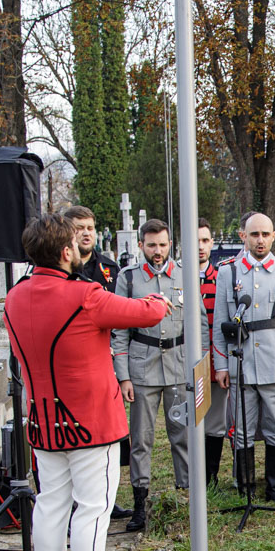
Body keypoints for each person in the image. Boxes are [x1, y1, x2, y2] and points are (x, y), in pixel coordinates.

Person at [3, 213, 170, 551]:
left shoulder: (15, 296)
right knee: (94, 506)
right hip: (90, 419)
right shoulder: (85, 295)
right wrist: (161, 300)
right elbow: (146, 313)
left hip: (43, 419)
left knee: (51, 503)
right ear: (65, 252)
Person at [212, 212, 275, 502]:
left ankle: (274, 488)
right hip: (240, 364)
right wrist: (220, 365)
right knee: (240, 430)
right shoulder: (228, 272)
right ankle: (246, 487)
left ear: (274, 236)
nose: (260, 240)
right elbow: (219, 323)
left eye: (266, 234)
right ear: (243, 236)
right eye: (254, 234)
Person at [113, 219, 190, 531]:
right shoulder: (129, 278)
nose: (157, 252)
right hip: (142, 367)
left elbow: (196, 326)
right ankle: (140, 504)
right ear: (141, 246)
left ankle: (186, 496)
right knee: (142, 439)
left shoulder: (184, 275)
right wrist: (123, 377)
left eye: (162, 244)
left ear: (170, 243)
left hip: (178, 365)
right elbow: (119, 331)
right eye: (151, 245)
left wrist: (199, 369)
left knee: (182, 435)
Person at [63, 204, 131, 518]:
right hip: (75, 363)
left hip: (106, 359)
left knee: (109, 434)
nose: (87, 233)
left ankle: (106, 496)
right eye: (79, 228)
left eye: (90, 227)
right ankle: (76, 500)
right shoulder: (62, 269)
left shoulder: (108, 268)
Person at [196, 220, 230, 486]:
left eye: (205, 241)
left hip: (214, 360)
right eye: (195, 241)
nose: (200, 247)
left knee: (215, 421)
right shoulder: (178, 277)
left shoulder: (221, 279)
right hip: (184, 361)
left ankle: (211, 477)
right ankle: (189, 479)